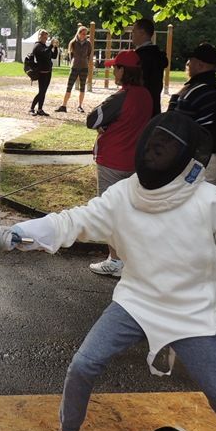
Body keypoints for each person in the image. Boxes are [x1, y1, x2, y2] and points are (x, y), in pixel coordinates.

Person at [0, 111, 216, 431]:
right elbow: (72, 221)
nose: (156, 152)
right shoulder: (123, 196)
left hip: (193, 312)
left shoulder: (209, 201)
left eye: (166, 147)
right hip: (137, 301)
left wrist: (199, 273)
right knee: (83, 365)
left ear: (184, 157)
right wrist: (21, 233)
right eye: (155, 144)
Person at [85, 50, 153, 279]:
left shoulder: (120, 97)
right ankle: (129, 258)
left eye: (116, 67)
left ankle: (115, 260)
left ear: (124, 70)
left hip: (112, 161)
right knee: (129, 211)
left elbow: (92, 119)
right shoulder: (147, 95)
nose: (113, 71)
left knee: (110, 212)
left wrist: (104, 125)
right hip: (135, 162)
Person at [168, 43, 216, 189]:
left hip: (202, 160)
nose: (187, 65)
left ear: (200, 65)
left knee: (190, 197)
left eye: (189, 62)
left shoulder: (194, 91)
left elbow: (173, 123)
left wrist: (175, 98)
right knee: (212, 199)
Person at [132, 17, 169, 116]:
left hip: (140, 105)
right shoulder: (157, 54)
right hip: (154, 104)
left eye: (134, 31)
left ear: (142, 33)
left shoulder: (141, 56)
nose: (132, 34)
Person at [56, 25, 91, 113]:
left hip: (84, 67)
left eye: (85, 34)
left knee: (82, 87)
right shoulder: (73, 43)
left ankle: (80, 106)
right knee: (69, 86)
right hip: (74, 67)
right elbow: (70, 55)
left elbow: (89, 55)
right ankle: (64, 105)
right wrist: (74, 62)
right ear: (79, 33)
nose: (84, 35)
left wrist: (86, 62)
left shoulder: (88, 43)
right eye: (83, 34)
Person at [29, 30, 56, 116]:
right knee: (41, 92)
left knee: (43, 92)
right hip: (42, 72)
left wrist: (55, 47)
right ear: (40, 37)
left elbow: (54, 56)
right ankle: (31, 108)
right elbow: (44, 53)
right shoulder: (37, 46)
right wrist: (51, 45)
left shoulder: (45, 46)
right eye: (44, 37)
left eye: (46, 38)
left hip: (48, 72)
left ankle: (40, 109)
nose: (45, 39)